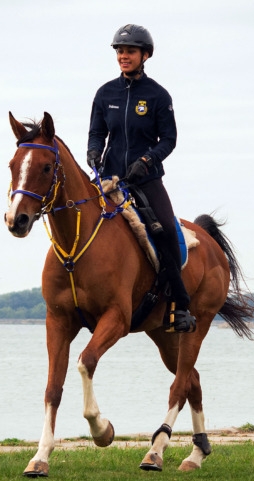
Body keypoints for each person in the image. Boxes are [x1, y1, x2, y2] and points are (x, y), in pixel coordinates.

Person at [87, 24, 196, 333]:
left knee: (166, 234)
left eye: (130, 51)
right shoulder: (105, 93)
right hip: (109, 180)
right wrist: (93, 151)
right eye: (120, 51)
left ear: (144, 55)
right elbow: (97, 133)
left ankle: (180, 306)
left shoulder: (158, 95)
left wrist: (147, 160)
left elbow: (169, 139)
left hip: (145, 180)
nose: (124, 56)